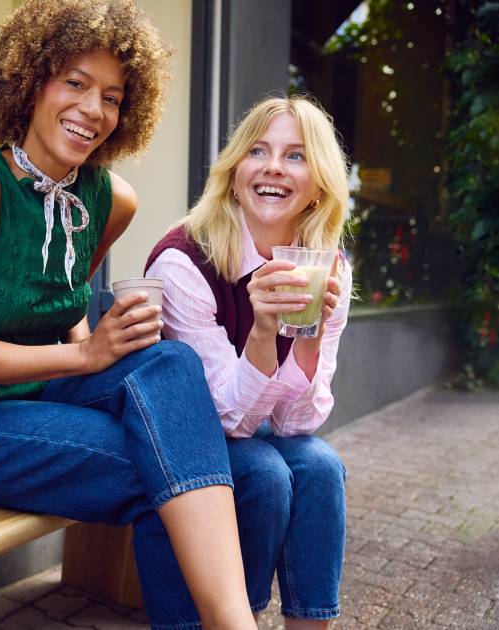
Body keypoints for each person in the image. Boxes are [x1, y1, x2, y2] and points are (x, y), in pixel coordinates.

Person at [0, 1, 257, 628]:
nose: (93, 110)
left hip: (50, 391)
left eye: (112, 97)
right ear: (30, 82)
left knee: (169, 361)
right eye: (74, 83)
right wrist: (87, 355)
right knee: (167, 475)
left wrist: (101, 346)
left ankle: (230, 619)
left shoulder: (110, 200)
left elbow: (65, 301)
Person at [145, 95, 350, 628]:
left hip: (245, 425)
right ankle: (240, 618)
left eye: (295, 156)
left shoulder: (327, 266)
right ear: (235, 174)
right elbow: (226, 421)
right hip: (183, 436)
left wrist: (309, 335)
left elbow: (297, 424)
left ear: (318, 186)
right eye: (257, 151)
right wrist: (263, 330)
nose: (273, 167)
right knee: (265, 472)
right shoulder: (186, 261)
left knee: (321, 466)